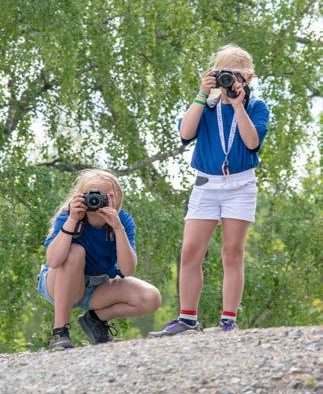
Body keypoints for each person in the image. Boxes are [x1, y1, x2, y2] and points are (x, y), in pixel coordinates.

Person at [149, 44, 269, 337]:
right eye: (223, 74)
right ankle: (187, 318)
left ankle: (228, 320)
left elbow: (252, 142)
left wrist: (238, 105)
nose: (230, 80)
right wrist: (203, 95)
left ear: (249, 77)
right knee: (190, 251)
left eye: (236, 75)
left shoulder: (256, 107)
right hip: (206, 183)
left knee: (232, 252)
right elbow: (185, 134)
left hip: (240, 184)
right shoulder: (206, 107)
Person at [37, 169, 161, 350]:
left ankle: (95, 319)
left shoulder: (123, 221)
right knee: (74, 252)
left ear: (117, 197)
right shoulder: (69, 216)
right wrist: (72, 220)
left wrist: (118, 229)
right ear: (81, 197)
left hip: (97, 287)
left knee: (151, 298)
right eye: (92, 195)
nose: (98, 200)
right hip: (58, 284)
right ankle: (59, 333)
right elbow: (54, 261)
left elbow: (127, 270)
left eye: (106, 195)